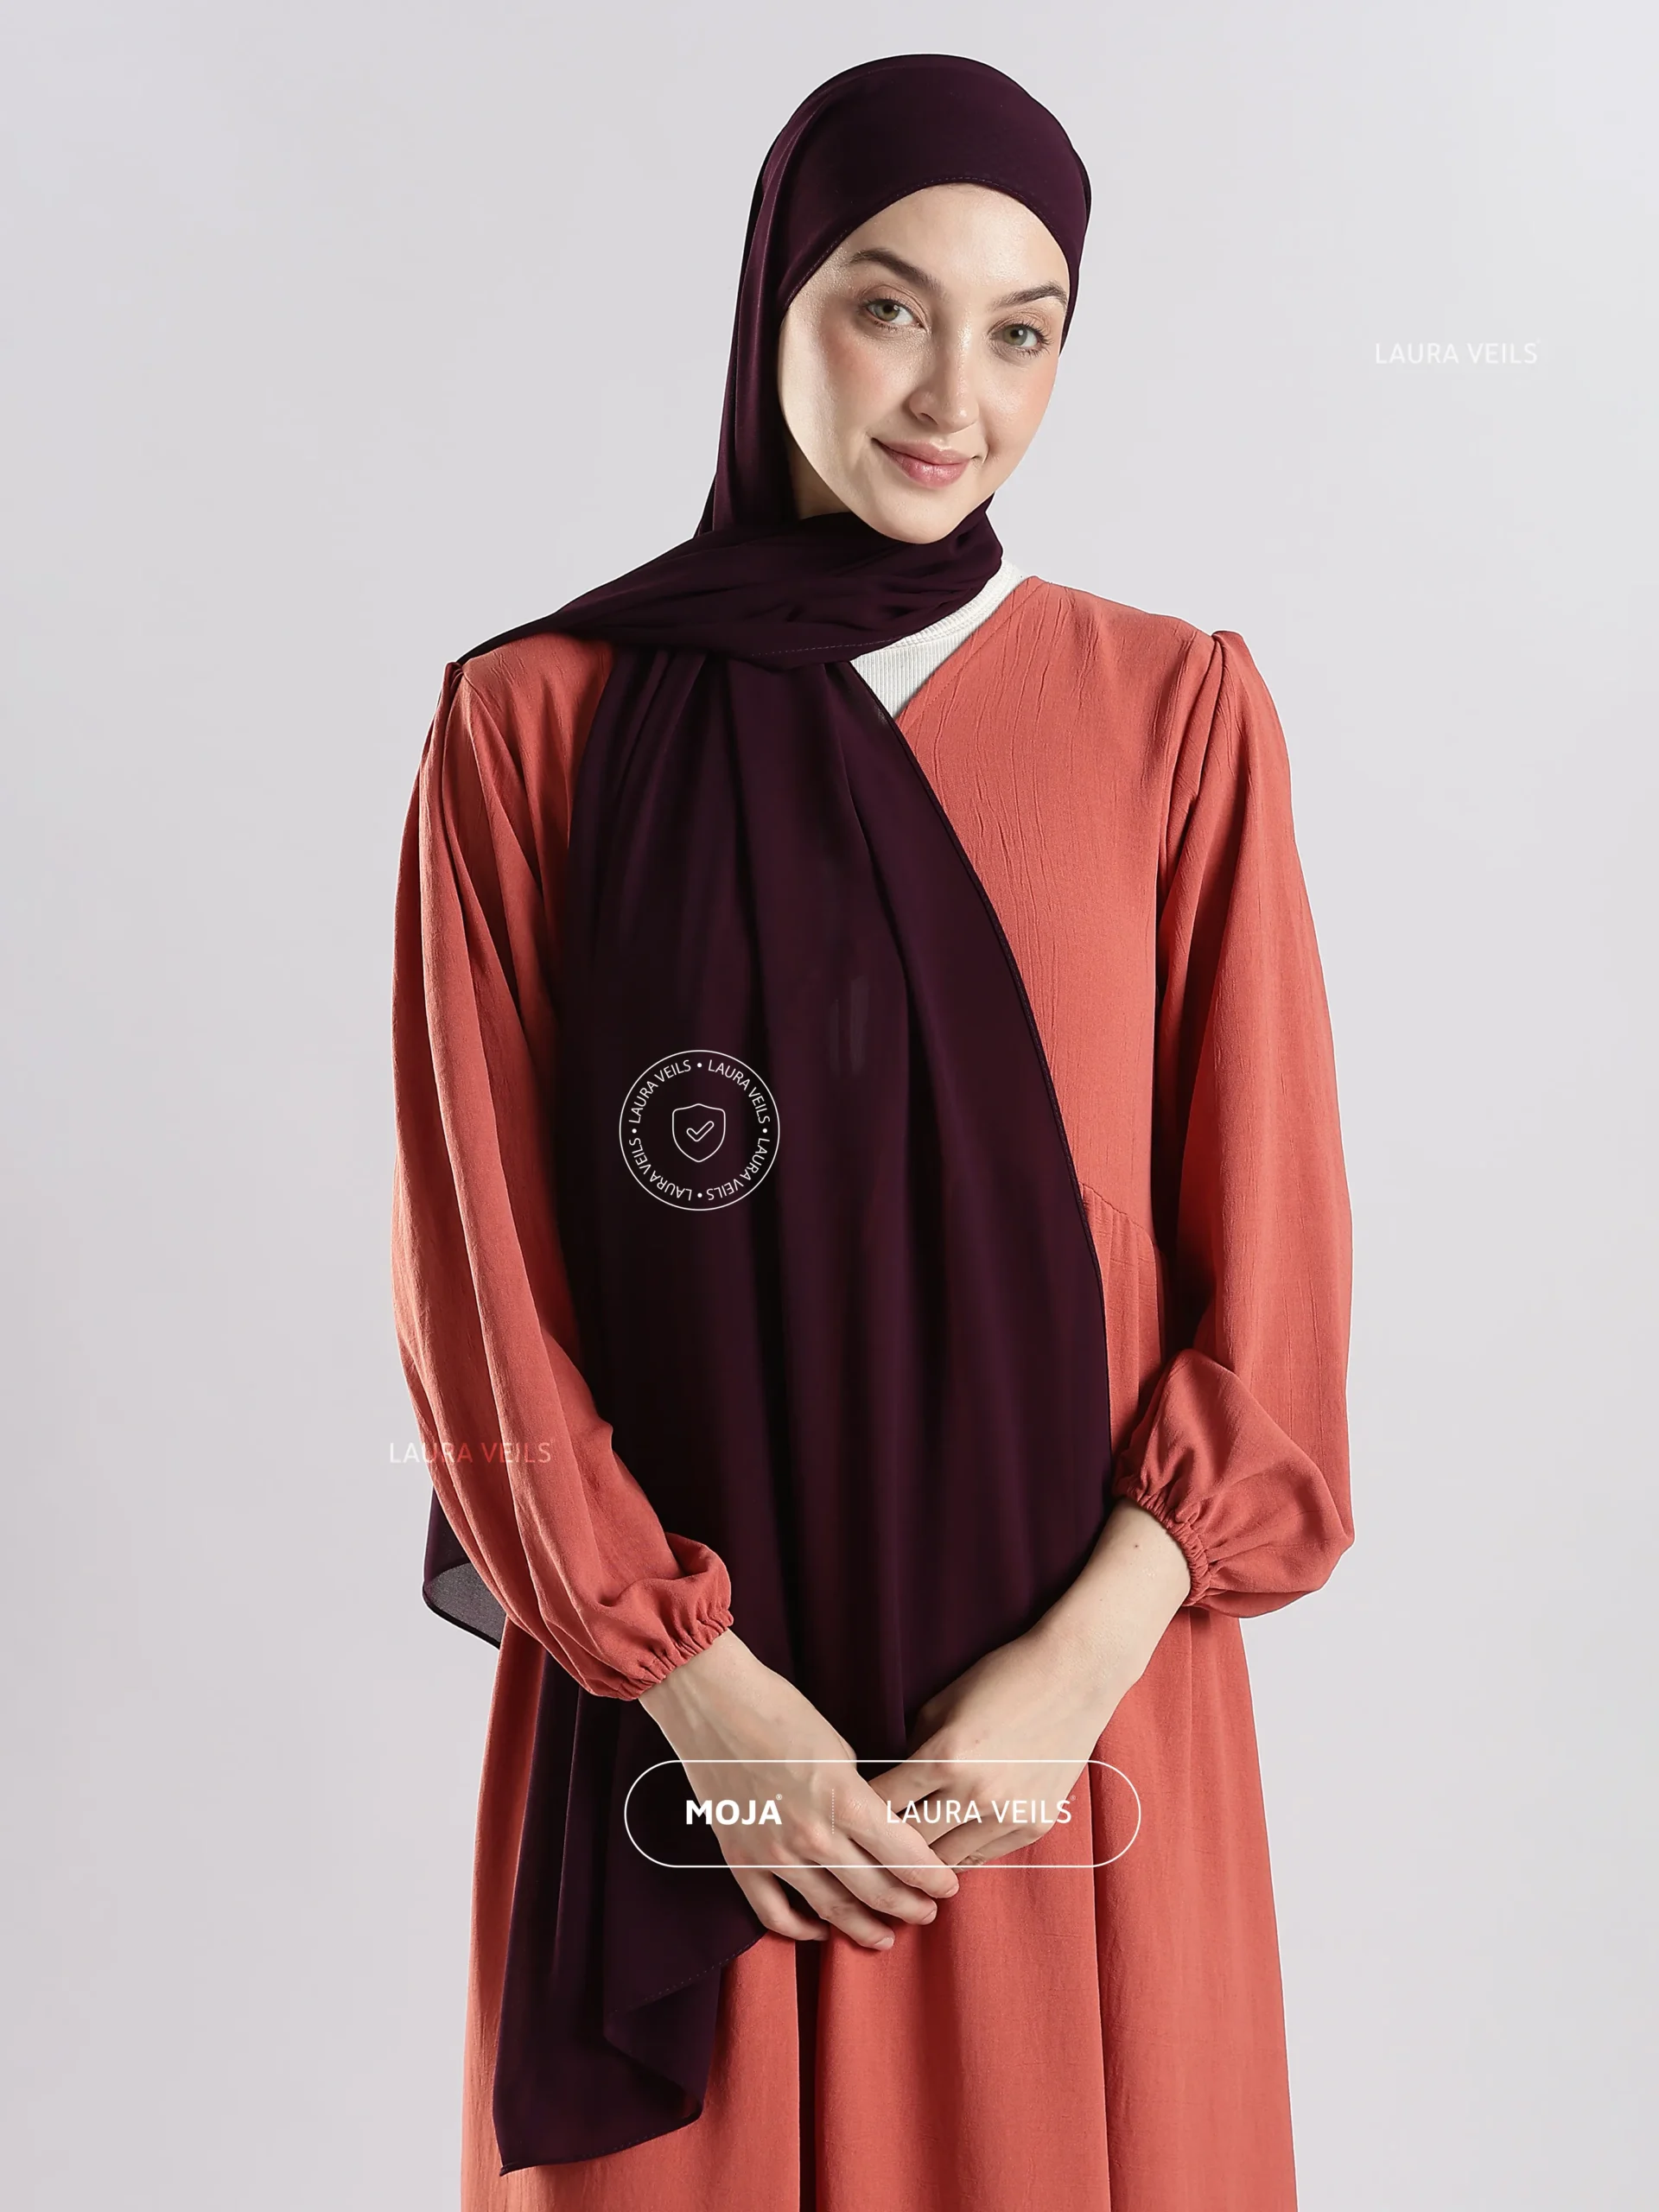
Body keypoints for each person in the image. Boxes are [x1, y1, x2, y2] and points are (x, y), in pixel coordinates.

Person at [391, 51, 1353, 2212]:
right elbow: (482, 1299)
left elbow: (1275, 1278)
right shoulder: (535, 723)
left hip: (1067, 1732)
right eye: (887, 305)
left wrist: (1067, 1677)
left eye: (1024, 330)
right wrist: (696, 1687)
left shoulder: (1174, 713)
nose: (953, 395)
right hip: (688, 1754)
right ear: (776, 301)